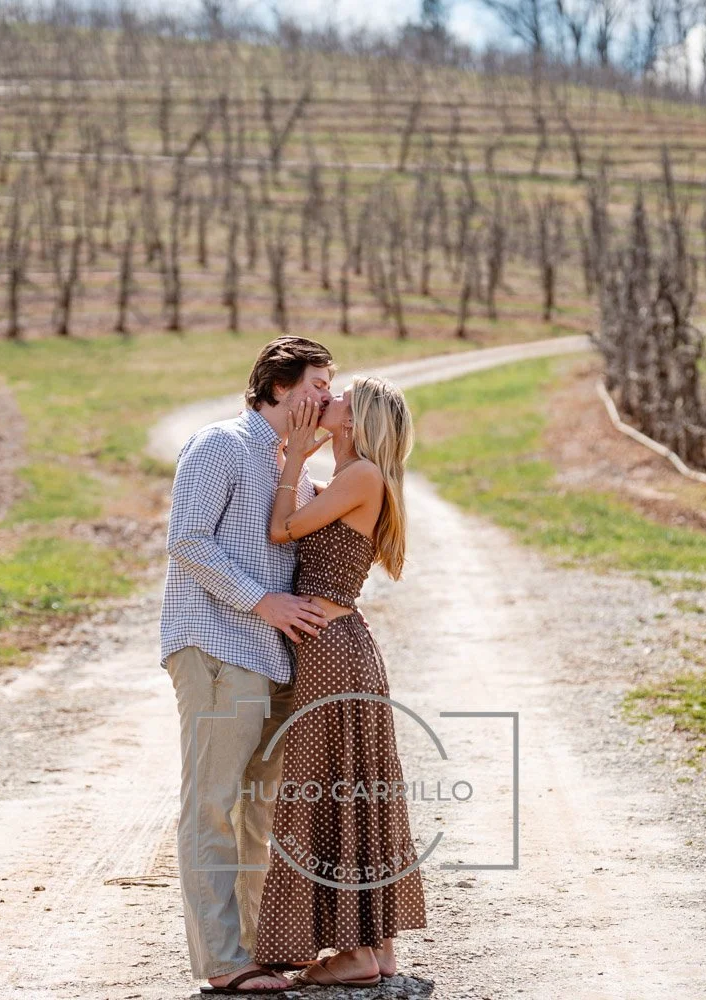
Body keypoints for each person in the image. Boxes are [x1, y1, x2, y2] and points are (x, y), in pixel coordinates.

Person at [161, 336, 336, 996]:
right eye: (319, 385)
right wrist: (263, 601)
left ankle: (258, 954)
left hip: (271, 660)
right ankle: (223, 963)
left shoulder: (286, 463)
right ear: (279, 388)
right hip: (214, 647)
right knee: (211, 807)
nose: (327, 398)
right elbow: (187, 541)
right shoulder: (220, 446)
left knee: (257, 812)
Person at [252, 375, 428, 987]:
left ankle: (354, 956)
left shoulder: (362, 478)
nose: (327, 401)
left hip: (332, 651)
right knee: (351, 790)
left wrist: (293, 458)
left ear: (356, 423)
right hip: (341, 647)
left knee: (327, 789)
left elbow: (282, 531)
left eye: (341, 399)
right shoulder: (354, 478)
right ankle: (374, 950)